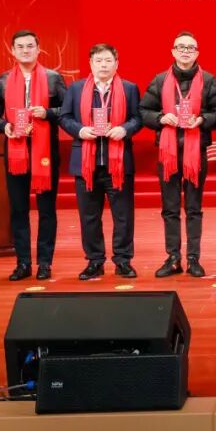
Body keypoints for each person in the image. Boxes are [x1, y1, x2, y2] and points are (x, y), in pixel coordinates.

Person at [139, 31, 216, 278]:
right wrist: (160, 118)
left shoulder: (208, 80)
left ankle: (194, 258)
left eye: (190, 48)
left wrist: (202, 119)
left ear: (197, 53)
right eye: (181, 47)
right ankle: (173, 257)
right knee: (170, 207)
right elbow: (143, 111)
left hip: (196, 151)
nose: (186, 51)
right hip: (168, 152)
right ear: (173, 51)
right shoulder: (160, 80)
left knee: (194, 207)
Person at [0, 30, 67, 281]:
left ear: (38, 49)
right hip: (16, 151)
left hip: (46, 152)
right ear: (12, 50)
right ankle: (23, 263)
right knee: (19, 209)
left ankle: (44, 263)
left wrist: (48, 113)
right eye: (20, 46)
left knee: (46, 210)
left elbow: (68, 110)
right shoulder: (3, 80)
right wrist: (4, 126)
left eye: (30, 46)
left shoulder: (53, 78)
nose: (25, 50)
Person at [58, 43, 142, 280]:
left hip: (119, 163)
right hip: (86, 164)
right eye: (98, 61)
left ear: (116, 64)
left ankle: (123, 260)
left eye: (108, 60)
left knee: (123, 216)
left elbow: (138, 118)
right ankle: (94, 261)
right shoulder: (76, 89)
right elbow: (64, 117)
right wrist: (80, 130)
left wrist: (124, 129)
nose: (103, 65)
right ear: (91, 64)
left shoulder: (129, 88)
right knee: (89, 216)